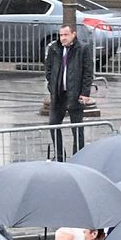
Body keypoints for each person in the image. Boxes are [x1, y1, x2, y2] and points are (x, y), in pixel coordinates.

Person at [45, 25, 94, 162]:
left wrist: (85, 93)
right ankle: (60, 155)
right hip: (59, 93)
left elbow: (88, 72)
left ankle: (79, 156)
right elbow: (48, 69)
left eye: (66, 35)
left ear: (73, 34)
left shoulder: (82, 49)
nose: (63, 38)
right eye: (61, 35)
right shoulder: (54, 48)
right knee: (53, 124)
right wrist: (52, 85)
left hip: (75, 93)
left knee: (77, 127)